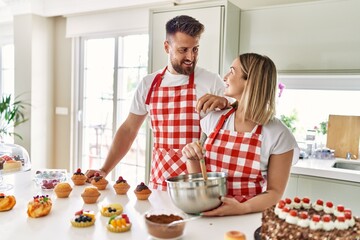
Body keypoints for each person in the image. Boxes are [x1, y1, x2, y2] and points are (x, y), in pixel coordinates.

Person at [85, 15, 229, 190]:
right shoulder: (148, 84)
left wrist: (227, 102)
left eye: (195, 49)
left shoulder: (211, 81)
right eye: (183, 50)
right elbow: (129, 130)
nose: (191, 57)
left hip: (198, 183)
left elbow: (240, 114)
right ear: (167, 47)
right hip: (160, 181)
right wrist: (104, 169)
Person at [182, 53, 299, 216]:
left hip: (247, 217)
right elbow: (200, 179)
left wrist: (243, 208)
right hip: (209, 213)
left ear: (250, 81)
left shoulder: (278, 134)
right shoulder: (214, 120)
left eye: (232, 71)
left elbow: (275, 193)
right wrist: (192, 157)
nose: (225, 77)